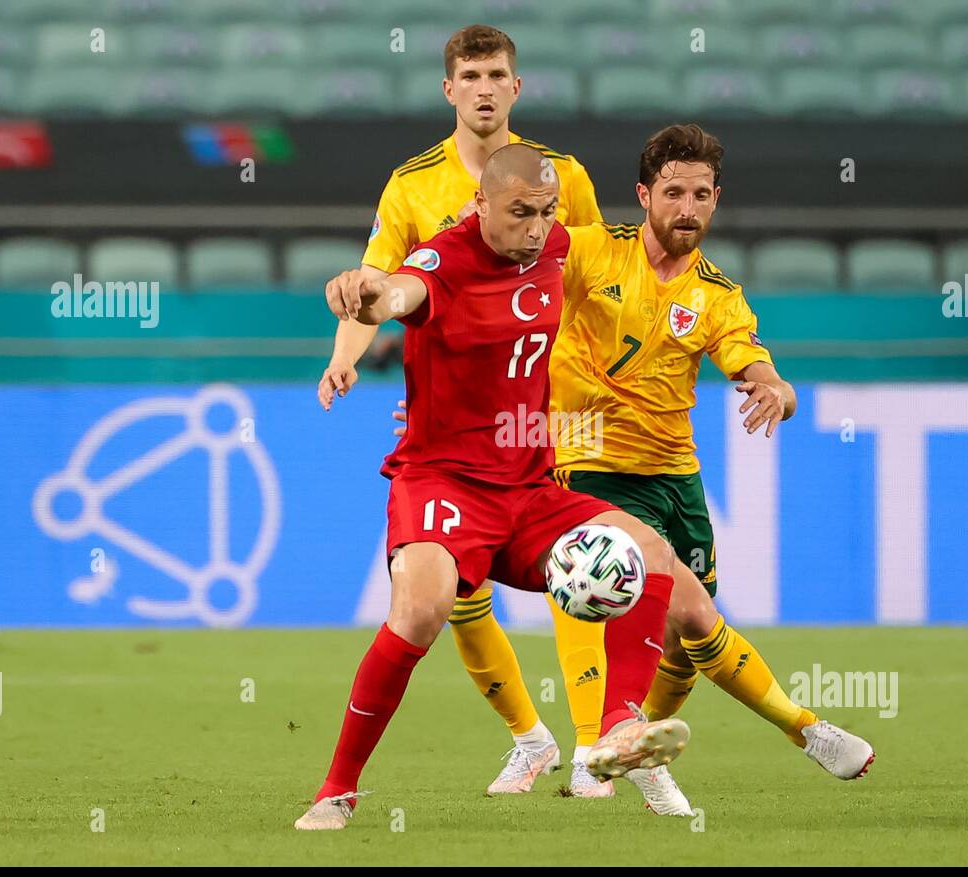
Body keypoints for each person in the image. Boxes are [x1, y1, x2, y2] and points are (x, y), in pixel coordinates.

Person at [383, 125, 879, 815]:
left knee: (695, 628)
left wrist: (776, 385)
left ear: (715, 202)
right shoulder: (588, 250)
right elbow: (495, 267)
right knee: (591, 586)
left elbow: (748, 353)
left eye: (700, 195)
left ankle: (643, 746)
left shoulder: (717, 295)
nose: (686, 207)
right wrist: (433, 385)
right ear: (645, 195)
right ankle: (601, 748)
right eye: (673, 192)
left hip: (673, 474)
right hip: (581, 456)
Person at [297, 145, 701, 831]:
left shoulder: (555, 249)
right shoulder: (443, 262)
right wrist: (364, 294)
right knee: (421, 612)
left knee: (651, 551)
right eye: (521, 214)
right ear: (479, 206)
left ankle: (617, 729)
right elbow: (396, 291)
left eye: (546, 213)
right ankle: (336, 790)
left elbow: (636, 250)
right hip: (442, 481)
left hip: (528, 488)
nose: (537, 228)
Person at [322, 24, 611, 798]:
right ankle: (532, 737)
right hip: (457, 425)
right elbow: (379, 286)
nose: (485, 87)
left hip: (548, 407)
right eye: (471, 75)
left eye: (498, 74)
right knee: (456, 593)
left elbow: (591, 278)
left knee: (581, 569)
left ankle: (594, 747)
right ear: (449, 89)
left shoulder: (562, 177)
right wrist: (345, 357)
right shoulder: (412, 186)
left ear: (517, 87)